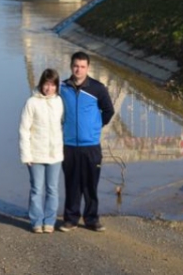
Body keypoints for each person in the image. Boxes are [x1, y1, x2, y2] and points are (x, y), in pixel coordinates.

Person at [59, 51, 115, 233]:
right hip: (69, 146)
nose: (79, 69)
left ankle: (92, 219)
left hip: (90, 146)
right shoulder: (63, 88)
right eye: (76, 66)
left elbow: (108, 110)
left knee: (91, 184)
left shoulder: (97, 88)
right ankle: (70, 219)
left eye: (82, 67)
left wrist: (95, 127)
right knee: (72, 184)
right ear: (71, 66)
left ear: (88, 68)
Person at [18, 68, 64, 234]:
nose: (49, 88)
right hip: (36, 154)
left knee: (52, 189)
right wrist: (26, 155)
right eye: (46, 84)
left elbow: (63, 124)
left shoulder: (59, 101)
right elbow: (24, 129)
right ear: (41, 84)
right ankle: (37, 221)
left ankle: (49, 221)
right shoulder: (31, 102)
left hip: (55, 154)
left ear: (57, 86)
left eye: (53, 85)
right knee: (37, 189)